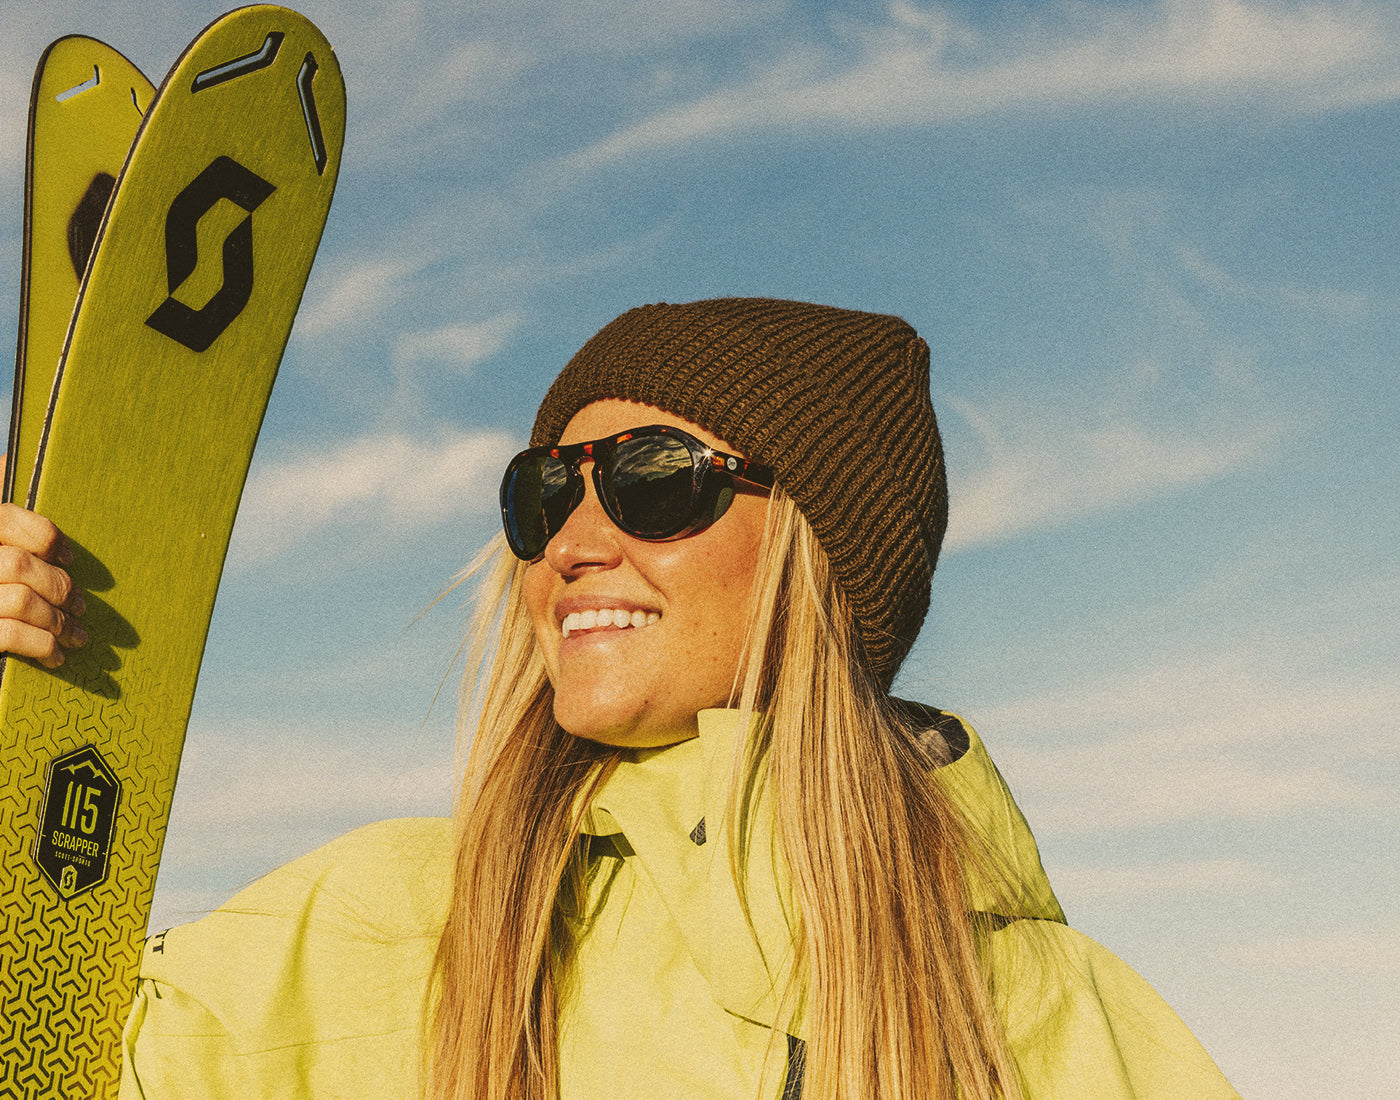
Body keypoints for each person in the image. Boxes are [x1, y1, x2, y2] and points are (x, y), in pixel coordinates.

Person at [2, 298, 1240, 1099]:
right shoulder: (399, 929)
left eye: (656, 479)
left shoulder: (1044, 1011)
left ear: (823, 559)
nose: (575, 539)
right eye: (546, 492)